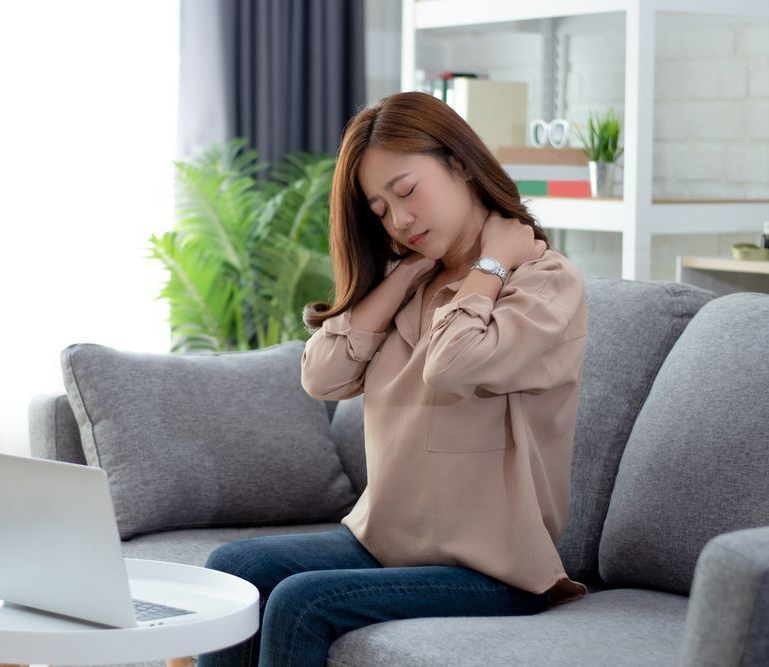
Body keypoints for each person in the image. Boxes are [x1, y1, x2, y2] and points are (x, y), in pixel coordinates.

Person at [196, 91, 589, 667]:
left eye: (405, 191)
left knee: (303, 604)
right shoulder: (411, 280)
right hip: (384, 546)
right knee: (233, 569)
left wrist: (489, 266)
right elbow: (322, 379)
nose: (400, 220)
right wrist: (403, 277)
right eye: (380, 210)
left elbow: (450, 363)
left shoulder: (543, 283)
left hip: (494, 570)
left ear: (459, 163)